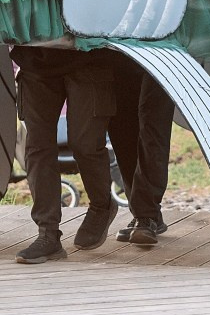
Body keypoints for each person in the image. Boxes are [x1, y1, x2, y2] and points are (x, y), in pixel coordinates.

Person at [13, 45, 120, 263]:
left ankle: (102, 205)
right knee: (37, 146)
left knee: (85, 144)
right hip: (35, 58)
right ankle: (48, 234)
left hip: (88, 53)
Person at [108, 53, 175, 246]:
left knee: (152, 121)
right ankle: (145, 213)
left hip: (162, 49)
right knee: (121, 125)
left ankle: (146, 216)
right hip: (116, 47)